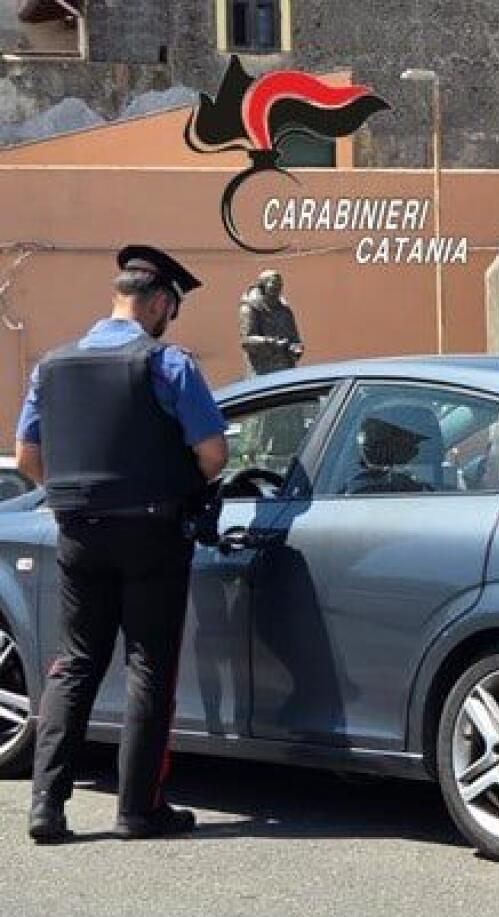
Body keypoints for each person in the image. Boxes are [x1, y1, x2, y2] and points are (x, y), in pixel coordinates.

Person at [14, 245, 229, 843]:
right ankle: (139, 809)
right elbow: (214, 455)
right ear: (159, 303)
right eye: (171, 312)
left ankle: (46, 808)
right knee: (149, 664)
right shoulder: (167, 363)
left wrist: (82, 496)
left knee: (75, 663)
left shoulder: (51, 366)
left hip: (79, 532)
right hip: (154, 533)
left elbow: (30, 458)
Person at [238, 269, 304, 376]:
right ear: (263, 285)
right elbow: (246, 341)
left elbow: (294, 337)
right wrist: (272, 342)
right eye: (273, 284)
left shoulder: (284, 309)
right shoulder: (250, 308)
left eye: (280, 285)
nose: (277, 288)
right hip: (262, 370)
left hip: (286, 368)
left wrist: (296, 348)